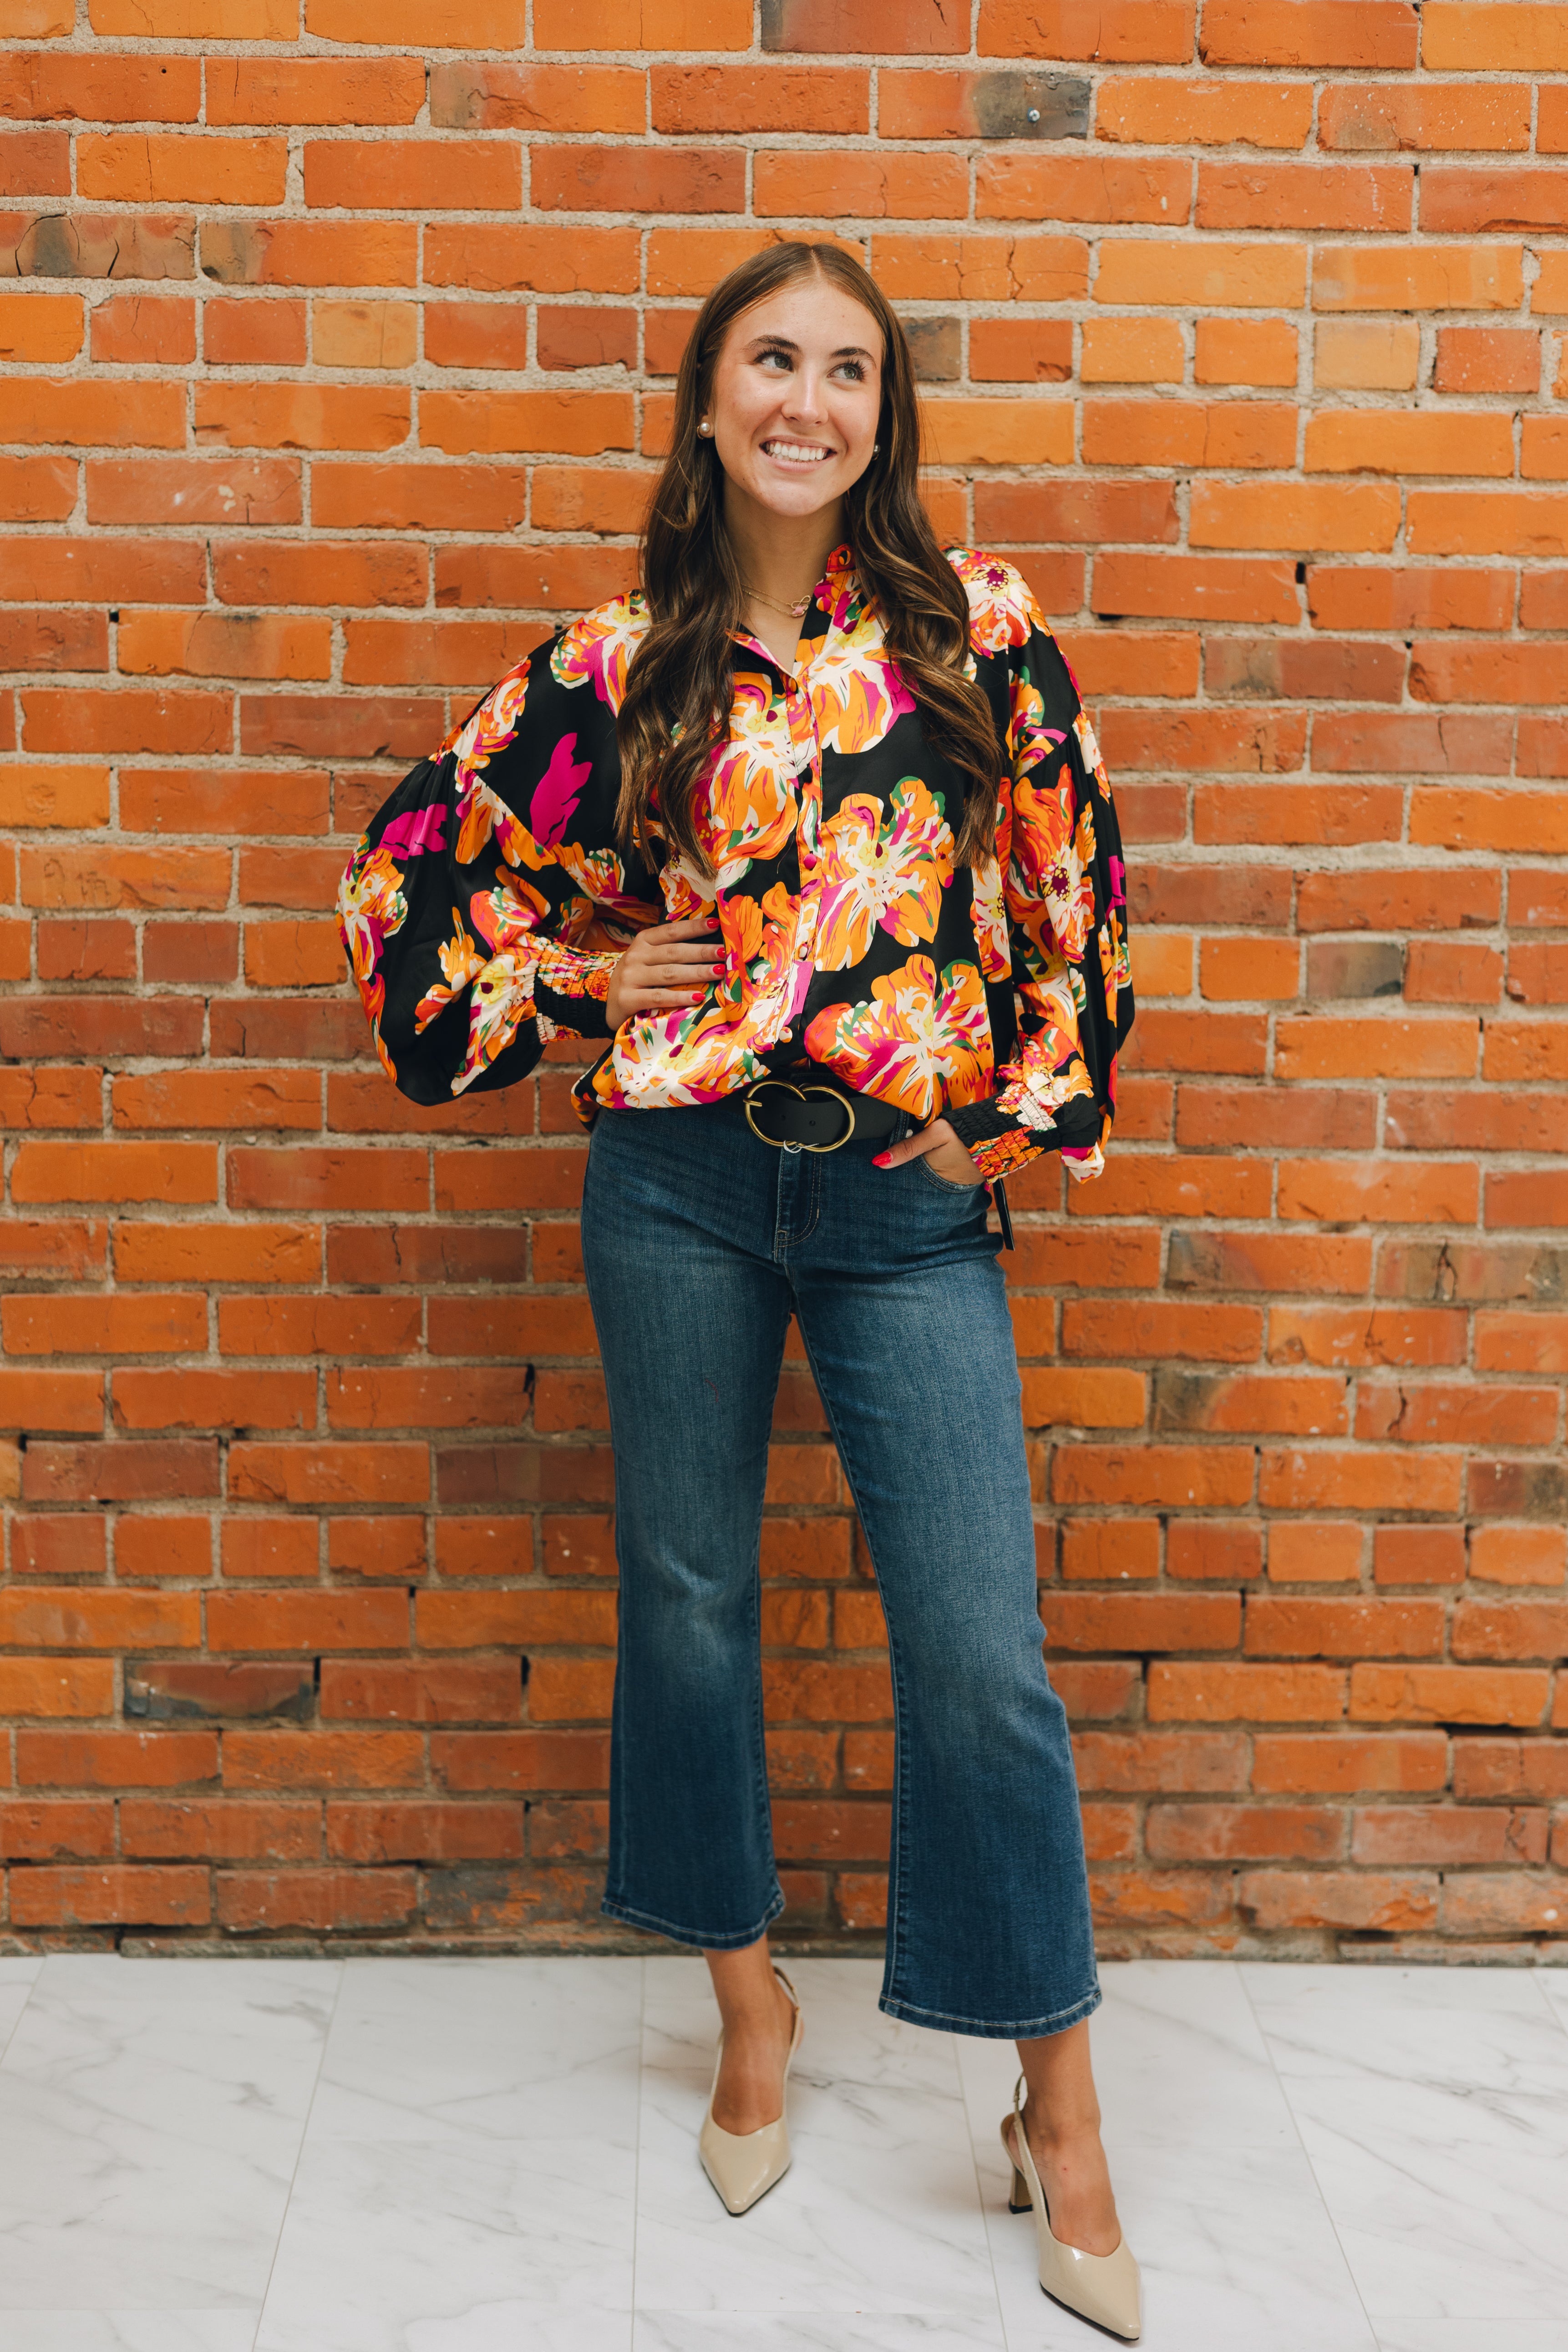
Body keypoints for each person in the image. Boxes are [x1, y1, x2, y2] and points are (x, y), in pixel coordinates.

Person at [338, 240, 1139, 2340]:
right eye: (768, 361)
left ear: (887, 413)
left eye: (847, 368)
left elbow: (1079, 887)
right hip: (677, 1179)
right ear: (707, 406)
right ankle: (748, 2008)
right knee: (688, 1599)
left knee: (979, 1647)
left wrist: (1022, 1103)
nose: (807, 398)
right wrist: (580, 977)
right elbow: (406, 876)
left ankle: (1054, 2109)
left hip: (892, 1194)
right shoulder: (617, 667)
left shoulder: (978, 641)